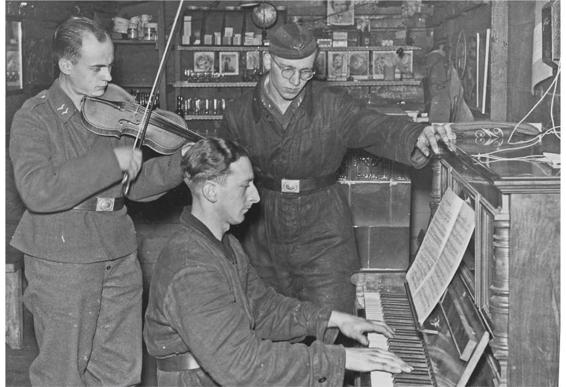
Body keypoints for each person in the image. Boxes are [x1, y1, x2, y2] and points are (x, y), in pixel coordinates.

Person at [222, 22, 456, 344]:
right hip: (262, 226)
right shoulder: (238, 114)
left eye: (305, 72)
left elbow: (376, 127)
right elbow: (221, 173)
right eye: (287, 69)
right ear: (266, 61)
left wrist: (417, 135)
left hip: (324, 229)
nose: (295, 81)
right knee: (269, 334)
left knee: (333, 333)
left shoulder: (333, 105)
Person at [144, 137, 413, 386]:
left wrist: (334, 319)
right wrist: (340, 359)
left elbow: (264, 309)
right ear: (212, 192)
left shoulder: (224, 244)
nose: (256, 196)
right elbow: (241, 365)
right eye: (244, 186)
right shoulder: (192, 267)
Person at [9, 17, 190, 386]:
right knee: (62, 374)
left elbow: (133, 188)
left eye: (110, 64)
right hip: (62, 258)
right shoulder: (35, 116)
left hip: (118, 255)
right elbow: (37, 189)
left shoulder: (112, 113)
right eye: (98, 67)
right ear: (66, 65)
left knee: (121, 372)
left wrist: (181, 164)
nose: (109, 76)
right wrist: (112, 160)